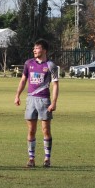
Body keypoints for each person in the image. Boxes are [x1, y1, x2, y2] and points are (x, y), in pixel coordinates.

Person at [14, 38, 59, 168]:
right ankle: (31, 158)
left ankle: (47, 158)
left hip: (44, 100)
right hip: (31, 100)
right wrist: (17, 95)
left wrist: (54, 102)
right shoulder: (28, 63)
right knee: (31, 130)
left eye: (37, 48)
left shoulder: (51, 66)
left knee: (46, 130)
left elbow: (56, 85)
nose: (34, 50)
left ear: (44, 50)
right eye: (34, 48)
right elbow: (23, 80)